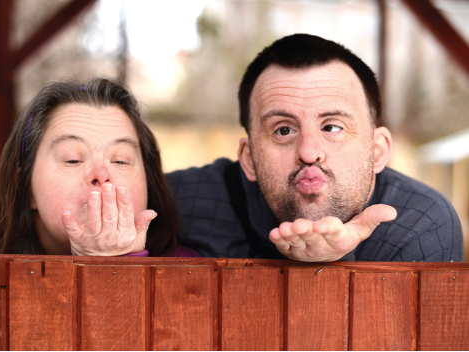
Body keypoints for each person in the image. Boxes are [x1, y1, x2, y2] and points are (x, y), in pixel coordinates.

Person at [167, 34, 463, 262]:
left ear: (377, 150)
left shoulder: (421, 225)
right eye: (283, 130)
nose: (309, 152)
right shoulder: (177, 201)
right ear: (249, 159)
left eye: (332, 127)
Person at [0, 78, 198, 257]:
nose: (101, 175)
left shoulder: (190, 271)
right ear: (27, 189)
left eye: (120, 160)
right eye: (72, 160)